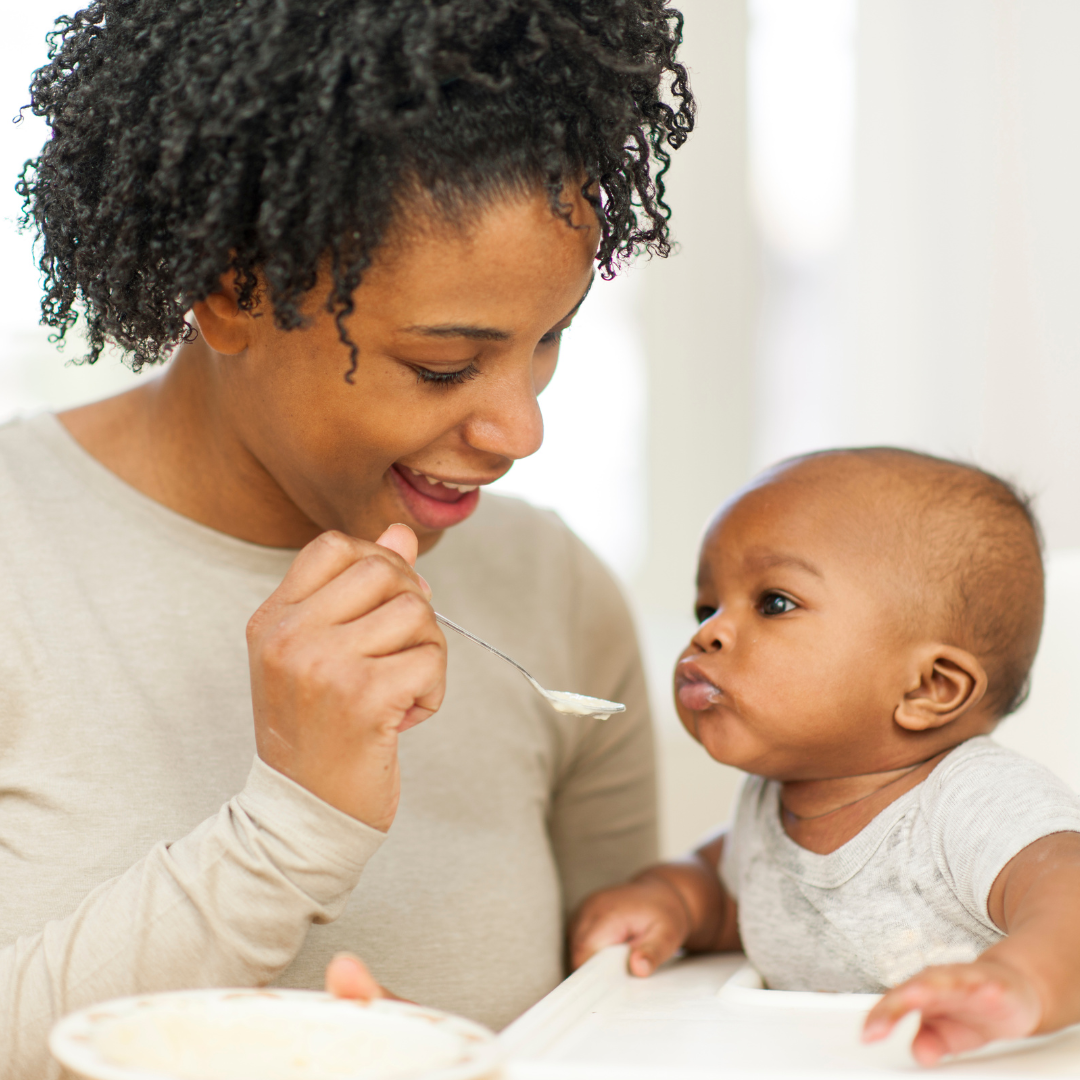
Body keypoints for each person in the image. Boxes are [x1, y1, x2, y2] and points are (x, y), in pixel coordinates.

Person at [0, 1, 695, 1075]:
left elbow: (622, 1020)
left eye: (548, 339)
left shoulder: (554, 591)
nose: (522, 431)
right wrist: (292, 824)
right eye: (443, 365)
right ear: (232, 292)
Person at [570, 448, 1080, 1066]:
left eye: (774, 602)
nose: (708, 633)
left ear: (928, 688)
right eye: (708, 607)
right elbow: (741, 901)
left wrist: (1023, 982)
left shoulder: (972, 802)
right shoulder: (770, 800)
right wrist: (672, 901)